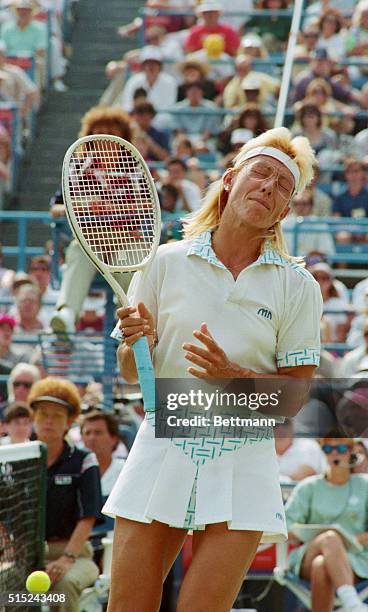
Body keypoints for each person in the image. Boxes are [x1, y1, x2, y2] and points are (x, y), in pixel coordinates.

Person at [103, 126, 322, 611]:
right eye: (260, 173)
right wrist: (136, 345)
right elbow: (129, 372)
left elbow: (295, 399)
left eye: (282, 186)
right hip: (163, 440)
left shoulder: (299, 286)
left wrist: (231, 374)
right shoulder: (164, 262)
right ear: (229, 180)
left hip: (244, 455)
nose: (268, 187)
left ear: (284, 211)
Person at [285, 431, 368, 612]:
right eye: (328, 449)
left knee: (321, 565)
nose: (334, 454)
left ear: (352, 452)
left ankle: (350, 602)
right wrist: (324, 537)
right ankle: (352, 603)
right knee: (329, 538)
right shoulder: (307, 487)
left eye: (340, 448)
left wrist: (350, 540)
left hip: (353, 560)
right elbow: (285, 528)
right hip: (307, 555)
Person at [50, 106, 135, 334]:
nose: (105, 141)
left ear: (123, 139)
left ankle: (129, 320)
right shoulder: (77, 170)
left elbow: (149, 206)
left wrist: (111, 207)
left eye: (112, 134)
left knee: (130, 260)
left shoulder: (136, 169)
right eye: (99, 135)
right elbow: (56, 208)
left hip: (126, 241)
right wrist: (86, 204)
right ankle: (67, 316)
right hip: (90, 242)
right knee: (78, 252)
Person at [28, 377, 102, 612]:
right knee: (7, 588)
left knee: (63, 587)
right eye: (42, 413)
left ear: (69, 421)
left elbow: (88, 516)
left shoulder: (84, 460)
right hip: (28, 554)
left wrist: (67, 558)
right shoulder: (20, 459)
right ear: (33, 417)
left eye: (57, 415)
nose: (48, 421)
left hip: (77, 554)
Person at [80, 410, 125, 499]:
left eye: (98, 432)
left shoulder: (125, 472)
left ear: (114, 438)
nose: (92, 438)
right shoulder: (74, 471)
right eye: (87, 433)